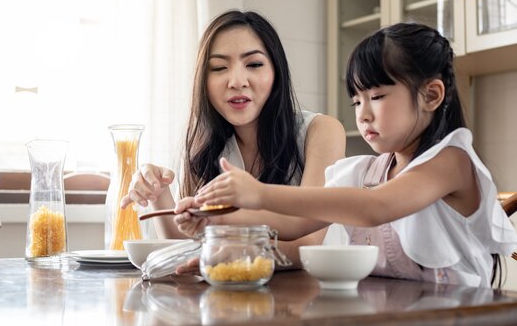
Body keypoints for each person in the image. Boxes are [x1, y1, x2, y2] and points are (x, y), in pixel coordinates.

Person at [183, 22, 517, 289]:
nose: (363, 114)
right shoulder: (368, 172)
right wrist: (214, 217)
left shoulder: (451, 160)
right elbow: (296, 224)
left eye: (377, 96)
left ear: (431, 95)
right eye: (357, 101)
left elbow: (375, 207)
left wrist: (258, 194)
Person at [121, 9, 346, 268]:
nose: (237, 81)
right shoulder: (204, 145)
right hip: (237, 298)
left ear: (276, 72)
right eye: (219, 67)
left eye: (254, 64)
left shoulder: (321, 131)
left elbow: (305, 247)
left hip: (320, 297)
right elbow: (186, 248)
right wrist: (160, 194)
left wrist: (218, 246)